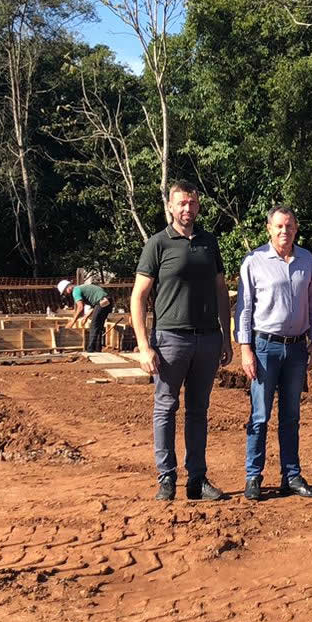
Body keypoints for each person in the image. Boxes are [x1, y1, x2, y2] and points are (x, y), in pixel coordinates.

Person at [130, 180, 233, 502]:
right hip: (170, 340)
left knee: (198, 411)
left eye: (192, 203)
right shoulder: (158, 244)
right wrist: (145, 346)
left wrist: (225, 338)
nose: (187, 209)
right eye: (181, 204)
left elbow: (220, 292)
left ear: (198, 206)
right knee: (165, 407)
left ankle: (197, 480)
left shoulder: (209, 243)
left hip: (207, 339)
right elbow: (138, 297)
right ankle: (166, 479)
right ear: (171, 208)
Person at [234, 206, 312, 501]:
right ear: (268, 229)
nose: (284, 231)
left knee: (291, 416)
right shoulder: (254, 261)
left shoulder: (307, 260)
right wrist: (245, 349)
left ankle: (292, 475)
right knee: (260, 415)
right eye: (279, 226)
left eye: (289, 226)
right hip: (264, 348)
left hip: (297, 348)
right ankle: (253, 476)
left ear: (296, 229)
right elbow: (244, 308)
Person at [58, 279, 113, 353]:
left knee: (94, 326)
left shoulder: (75, 291)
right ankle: (98, 349)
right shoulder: (81, 288)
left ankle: (90, 350)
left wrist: (73, 321)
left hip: (102, 302)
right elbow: (96, 305)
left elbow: (80, 307)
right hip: (107, 301)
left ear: (68, 288)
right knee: (99, 326)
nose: (66, 294)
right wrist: (86, 316)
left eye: (65, 292)